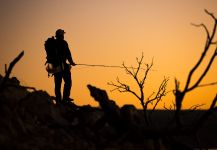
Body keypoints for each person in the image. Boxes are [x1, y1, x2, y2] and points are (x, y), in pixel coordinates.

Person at [53, 29, 76, 105]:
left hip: (55, 66)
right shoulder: (63, 43)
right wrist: (71, 62)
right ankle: (65, 98)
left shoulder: (53, 43)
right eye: (63, 34)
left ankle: (58, 99)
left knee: (57, 84)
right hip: (63, 65)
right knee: (68, 81)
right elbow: (68, 53)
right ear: (61, 35)